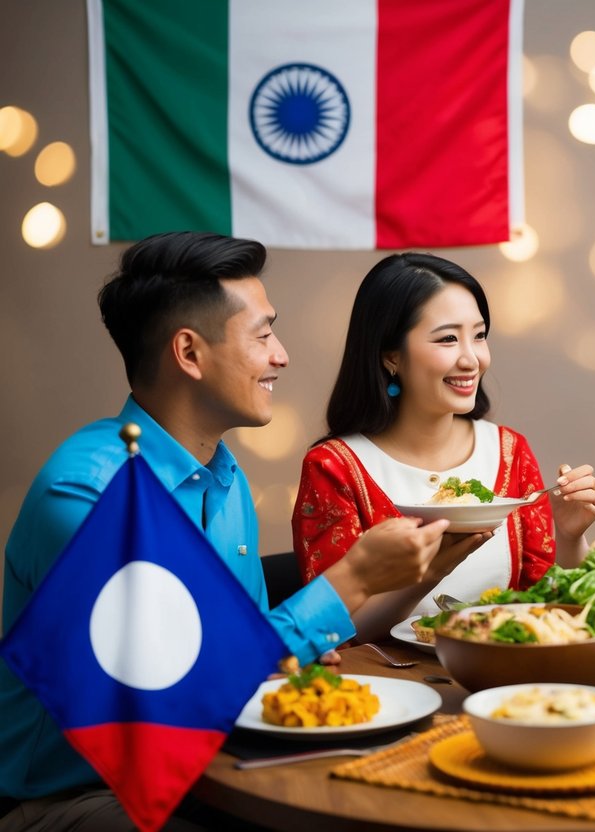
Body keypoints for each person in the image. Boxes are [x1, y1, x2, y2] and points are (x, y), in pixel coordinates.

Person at [0, 232, 455, 830]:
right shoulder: (88, 496)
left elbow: (246, 662)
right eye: (263, 335)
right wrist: (353, 579)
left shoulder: (224, 474)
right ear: (189, 353)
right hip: (83, 798)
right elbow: (181, 698)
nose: (281, 355)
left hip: (210, 767)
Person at [292, 252, 595, 639]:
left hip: (501, 687)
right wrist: (429, 573)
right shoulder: (335, 467)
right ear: (391, 356)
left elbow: (549, 607)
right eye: (448, 339)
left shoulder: (509, 450)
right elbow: (328, 631)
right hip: (392, 690)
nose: (472, 359)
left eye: (479, 335)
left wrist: (570, 536)